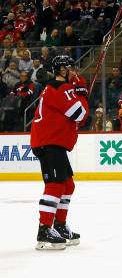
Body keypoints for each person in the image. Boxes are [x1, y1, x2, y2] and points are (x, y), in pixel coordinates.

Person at [30, 55, 89, 250]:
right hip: (50, 142)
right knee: (55, 186)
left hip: (52, 142)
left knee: (67, 185)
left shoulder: (59, 87)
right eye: (72, 68)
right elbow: (79, 114)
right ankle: (44, 230)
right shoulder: (60, 88)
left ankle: (60, 226)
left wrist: (79, 92)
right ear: (63, 70)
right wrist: (81, 92)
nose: (75, 71)